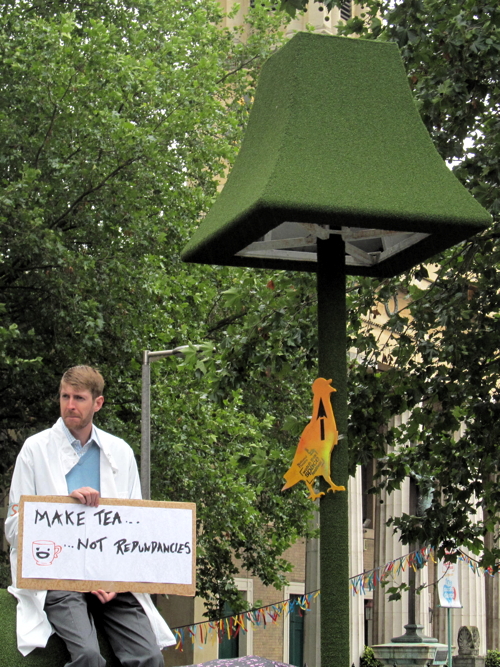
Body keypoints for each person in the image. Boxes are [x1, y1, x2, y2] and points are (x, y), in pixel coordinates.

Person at [5, 365, 175, 666]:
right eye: (65, 396)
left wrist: (116, 580)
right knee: (88, 656)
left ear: (97, 403)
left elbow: (134, 530)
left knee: (149, 657)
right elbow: (14, 528)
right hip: (60, 578)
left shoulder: (120, 452)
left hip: (110, 581)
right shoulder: (35, 450)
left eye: (79, 398)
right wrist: (61, 508)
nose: (70, 405)